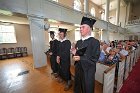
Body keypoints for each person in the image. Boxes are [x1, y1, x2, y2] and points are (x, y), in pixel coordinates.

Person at [72, 16, 100, 93]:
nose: (80, 29)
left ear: (89, 29)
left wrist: (81, 58)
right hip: (78, 70)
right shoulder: (78, 42)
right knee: (78, 87)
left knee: (87, 89)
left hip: (88, 72)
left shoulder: (95, 42)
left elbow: (95, 59)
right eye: (80, 27)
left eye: (83, 27)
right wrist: (74, 54)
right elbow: (77, 56)